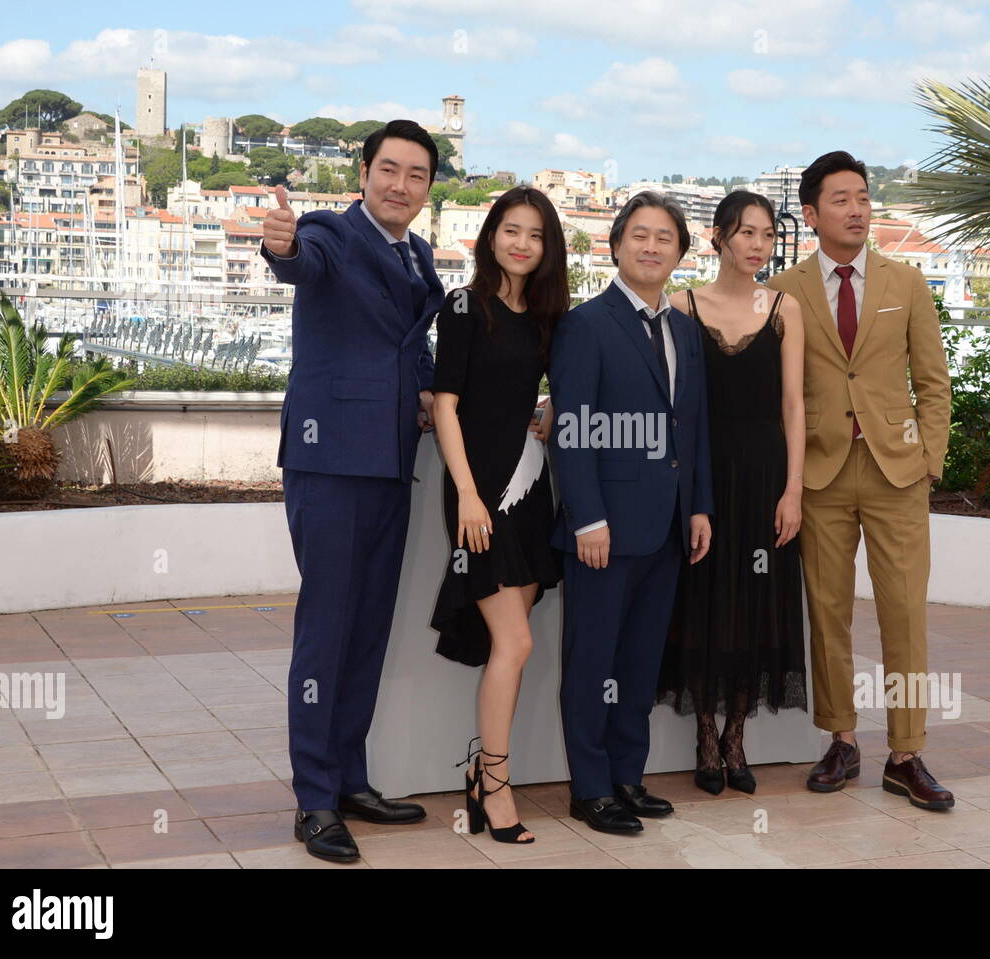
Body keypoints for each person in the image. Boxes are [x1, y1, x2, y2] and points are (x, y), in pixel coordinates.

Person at [260, 120, 444, 862]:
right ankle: (313, 799)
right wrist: (281, 243)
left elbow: (412, 351)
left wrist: (435, 398)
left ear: (429, 189)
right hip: (330, 461)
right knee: (326, 631)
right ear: (364, 172)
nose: (401, 185)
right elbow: (299, 258)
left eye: (417, 175)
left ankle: (350, 779)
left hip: (391, 463)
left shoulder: (418, 253)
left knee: (368, 630)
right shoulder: (331, 234)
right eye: (389, 169)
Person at [767, 151, 954, 810]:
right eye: (841, 200)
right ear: (812, 214)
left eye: (864, 197)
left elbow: (933, 381)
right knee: (828, 613)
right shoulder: (784, 289)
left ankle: (906, 751)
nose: (857, 209)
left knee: (905, 613)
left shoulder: (906, 282)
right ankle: (840, 738)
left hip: (897, 472)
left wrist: (929, 458)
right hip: (819, 473)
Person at [548, 191, 714, 834]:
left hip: (669, 527)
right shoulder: (585, 325)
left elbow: (691, 429)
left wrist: (698, 508)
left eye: (664, 238)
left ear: (679, 251)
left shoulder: (684, 330)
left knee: (640, 663)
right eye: (639, 235)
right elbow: (574, 430)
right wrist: (587, 518)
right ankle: (589, 788)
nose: (651, 246)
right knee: (591, 663)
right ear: (615, 245)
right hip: (604, 532)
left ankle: (627, 775)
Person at [657, 190, 808, 795]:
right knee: (702, 599)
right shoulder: (680, 306)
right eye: (745, 233)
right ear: (718, 237)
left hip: (766, 474)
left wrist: (793, 490)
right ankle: (704, 738)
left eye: (767, 235)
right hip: (700, 475)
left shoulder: (785, 308)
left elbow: (794, 405)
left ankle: (737, 735)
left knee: (756, 602)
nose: (757, 245)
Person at [430, 186, 568, 844]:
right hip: (477, 495)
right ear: (490, 236)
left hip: (530, 491)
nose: (522, 243)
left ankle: (483, 775)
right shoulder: (463, 307)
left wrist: (549, 410)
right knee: (514, 642)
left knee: (507, 648)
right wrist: (466, 494)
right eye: (511, 229)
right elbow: (446, 405)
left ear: (548, 247)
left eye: (535, 234)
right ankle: (495, 781)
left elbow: (549, 390)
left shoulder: (547, 315)